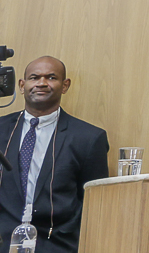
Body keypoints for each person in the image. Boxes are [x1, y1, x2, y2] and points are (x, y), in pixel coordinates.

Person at [0, 57, 109, 253]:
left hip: (57, 245)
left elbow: (95, 205)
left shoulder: (89, 138)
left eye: (51, 77)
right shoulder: (0, 129)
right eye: (34, 77)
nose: (42, 83)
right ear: (22, 85)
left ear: (65, 85)